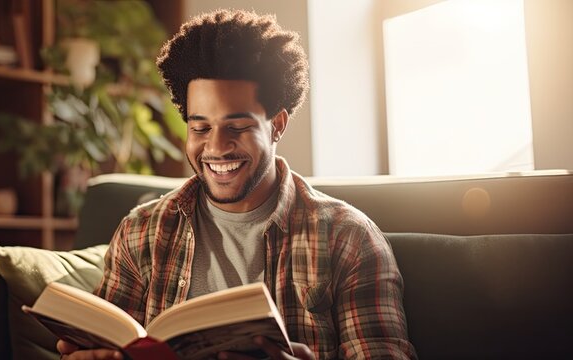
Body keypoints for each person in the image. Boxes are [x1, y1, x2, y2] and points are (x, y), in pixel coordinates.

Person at [58, 9, 417, 360]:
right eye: (200, 128)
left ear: (277, 124)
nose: (215, 147)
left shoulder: (349, 238)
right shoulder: (141, 232)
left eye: (238, 127)